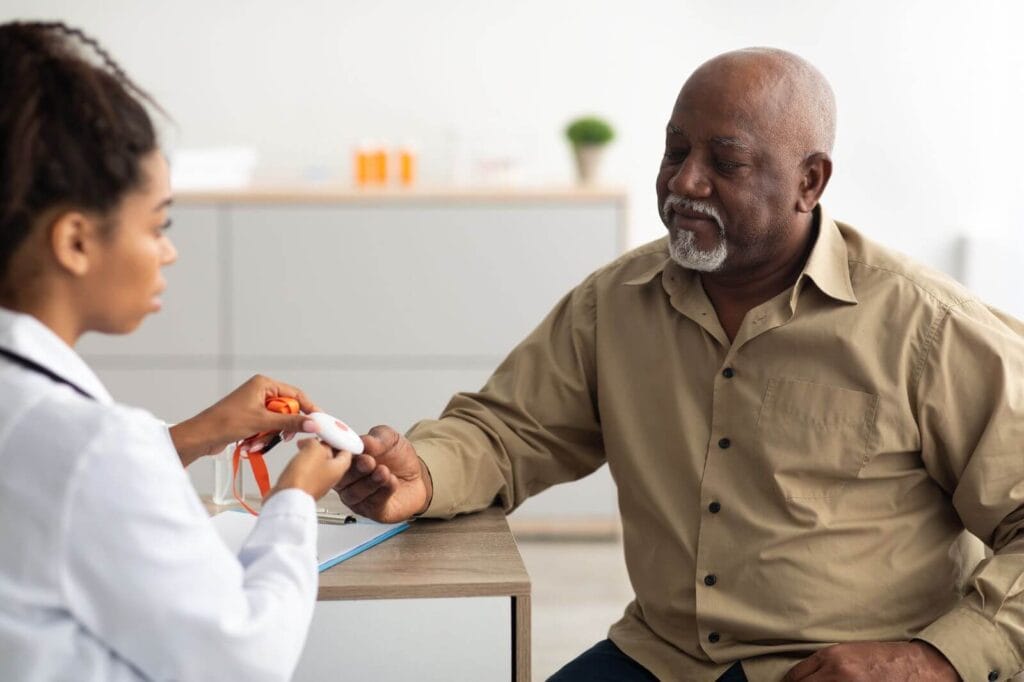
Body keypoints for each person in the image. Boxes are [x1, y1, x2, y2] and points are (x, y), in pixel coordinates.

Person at [333, 47, 1024, 682]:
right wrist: (423, 472)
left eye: (726, 163)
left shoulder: (928, 327)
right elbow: (510, 430)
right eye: (675, 150)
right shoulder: (615, 301)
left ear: (809, 182)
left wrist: (936, 658)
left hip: (847, 669)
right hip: (662, 658)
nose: (685, 181)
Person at [0, 22, 353, 681]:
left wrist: (198, 435)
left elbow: (47, 490)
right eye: (158, 225)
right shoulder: (92, 447)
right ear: (75, 241)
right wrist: (295, 500)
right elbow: (246, 659)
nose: (169, 251)